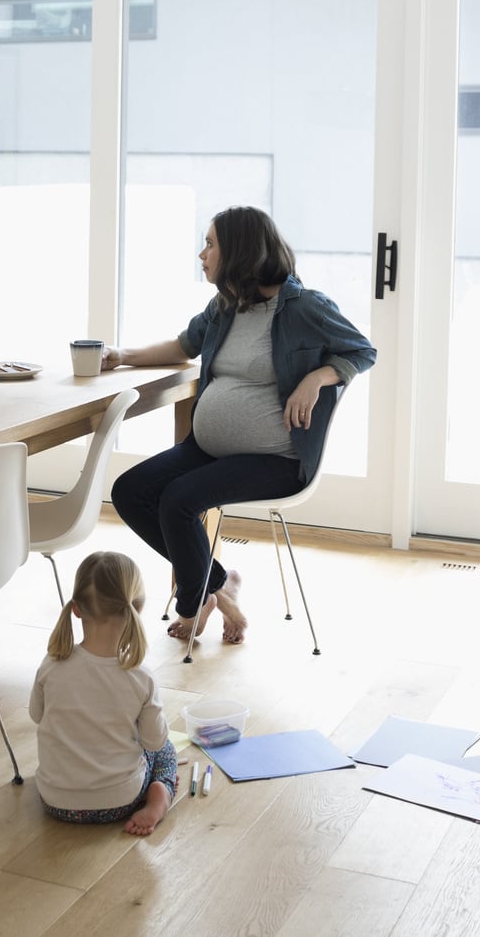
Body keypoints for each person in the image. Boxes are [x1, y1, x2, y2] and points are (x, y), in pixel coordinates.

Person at [105, 206, 374, 645]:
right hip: (208, 448)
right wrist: (121, 354)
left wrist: (316, 378)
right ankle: (218, 586)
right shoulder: (226, 306)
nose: (202, 254)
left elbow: (362, 351)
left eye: (210, 244)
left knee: (177, 501)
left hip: (276, 458)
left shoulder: (304, 306)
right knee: (129, 491)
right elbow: (183, 345)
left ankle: (194, 606)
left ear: (240, 251)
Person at [28, 551, 178, 835]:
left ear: (76, 609)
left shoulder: (51, 665)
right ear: (136, 609)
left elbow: (37, 716)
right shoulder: (141, 676)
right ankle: (160, 797)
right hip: (120, 801)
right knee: (167, 751)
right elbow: (155, 742)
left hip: (55, 800)